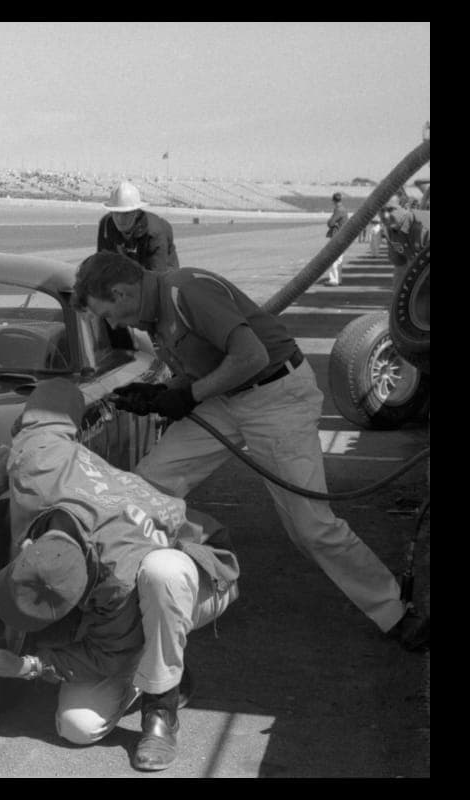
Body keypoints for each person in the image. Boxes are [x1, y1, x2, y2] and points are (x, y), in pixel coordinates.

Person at [70, 251, 429, 652]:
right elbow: (205, 367)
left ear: (122, 292)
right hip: (227, 398)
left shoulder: (185, 292)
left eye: (108, 314)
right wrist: (160, 394)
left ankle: (394, 611)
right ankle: (133, 595)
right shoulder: (155, 314)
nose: (114, 325)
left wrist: (189, 395)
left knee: (310, 526)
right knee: (147, 486)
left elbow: (251, 356)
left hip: (276, 397)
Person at [0, 378, 239, 771]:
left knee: (162, 574)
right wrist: (6, 467)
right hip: (127, 584)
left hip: (201, 571)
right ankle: (150, 656)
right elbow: (57, 394)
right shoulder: (37, 464)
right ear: (30, 546)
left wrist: (25, 666)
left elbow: (104, 653)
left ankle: (161, 708)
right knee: (77, 727)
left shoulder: (116, 583)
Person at [96, 181, 179, 273]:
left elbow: (157, 274)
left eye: (126, 213)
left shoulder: (155, 232)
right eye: (116, 212)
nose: (120, 219)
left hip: (163, 271)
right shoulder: (106, 225)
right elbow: (102, 265)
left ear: (137, 212)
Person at [323, 191, 348, 286]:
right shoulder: (343, 209)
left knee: (333, 258)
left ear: (333, 200)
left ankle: (334, 280)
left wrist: (331, 222)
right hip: (342, 236)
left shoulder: (339, 209)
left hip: (337, 236)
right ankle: (338, 279)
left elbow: (330, 223)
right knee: (339, 259)